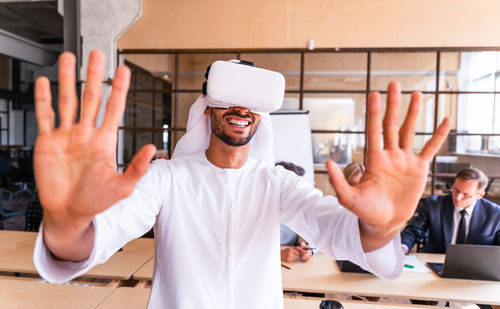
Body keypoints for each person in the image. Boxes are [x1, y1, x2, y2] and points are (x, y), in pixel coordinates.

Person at [32, 50, 450, 309]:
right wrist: (68, 221)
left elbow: (336, 229)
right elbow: (97, 237)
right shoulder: (167, 179)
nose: (241, 109)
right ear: (208, 108)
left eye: (252, 103)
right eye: (229, 98)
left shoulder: (278, 184)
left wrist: (382, 225)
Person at [401, 168, 500, 254]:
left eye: (466, 194)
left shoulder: (495, 213)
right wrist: (403, 247)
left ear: (480, 195)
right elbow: (413, 231)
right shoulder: (433, 204)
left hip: (476, 267)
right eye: (456, 190)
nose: (457, 197)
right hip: (434, 262)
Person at [275, 161, 314, 263]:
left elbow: (312, 237)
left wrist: (306, 250)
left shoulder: (298, 209)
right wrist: (277, 255)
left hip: (292, 267)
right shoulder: (258, 211)